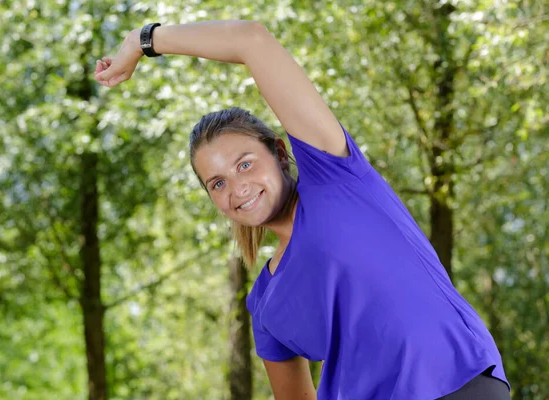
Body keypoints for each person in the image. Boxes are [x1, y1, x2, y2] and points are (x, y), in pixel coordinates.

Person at [95, 20, 511, 400]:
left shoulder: (336, 176)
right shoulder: (264, 306)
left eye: (245, 163)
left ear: (279, 152)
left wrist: (143, 41)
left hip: (460, 382)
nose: (237, 187)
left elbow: (251, 40)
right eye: (217, 183)